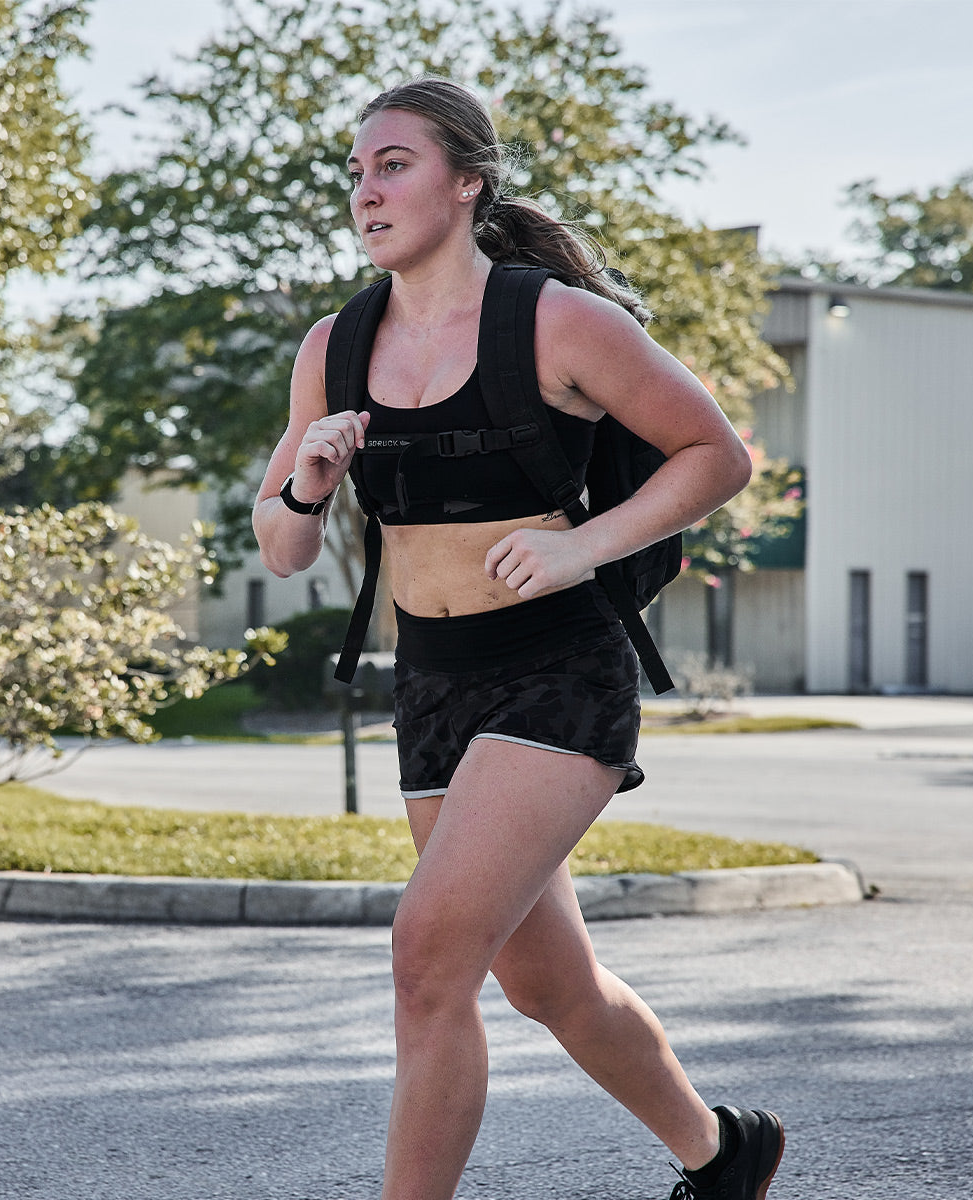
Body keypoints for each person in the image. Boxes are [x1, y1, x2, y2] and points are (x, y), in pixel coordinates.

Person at [252, 77, 783, 1200]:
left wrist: (582, 549)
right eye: (356, 172)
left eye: (393, 164)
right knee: (552, 986)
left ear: (467, 181)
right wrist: (304, 487)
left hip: (558, 672)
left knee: (428, 960)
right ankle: (721, 1155)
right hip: (433, 682)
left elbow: (717, 456)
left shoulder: (557, 321)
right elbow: (283, 551)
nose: (367, 190)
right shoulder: (333, 350)